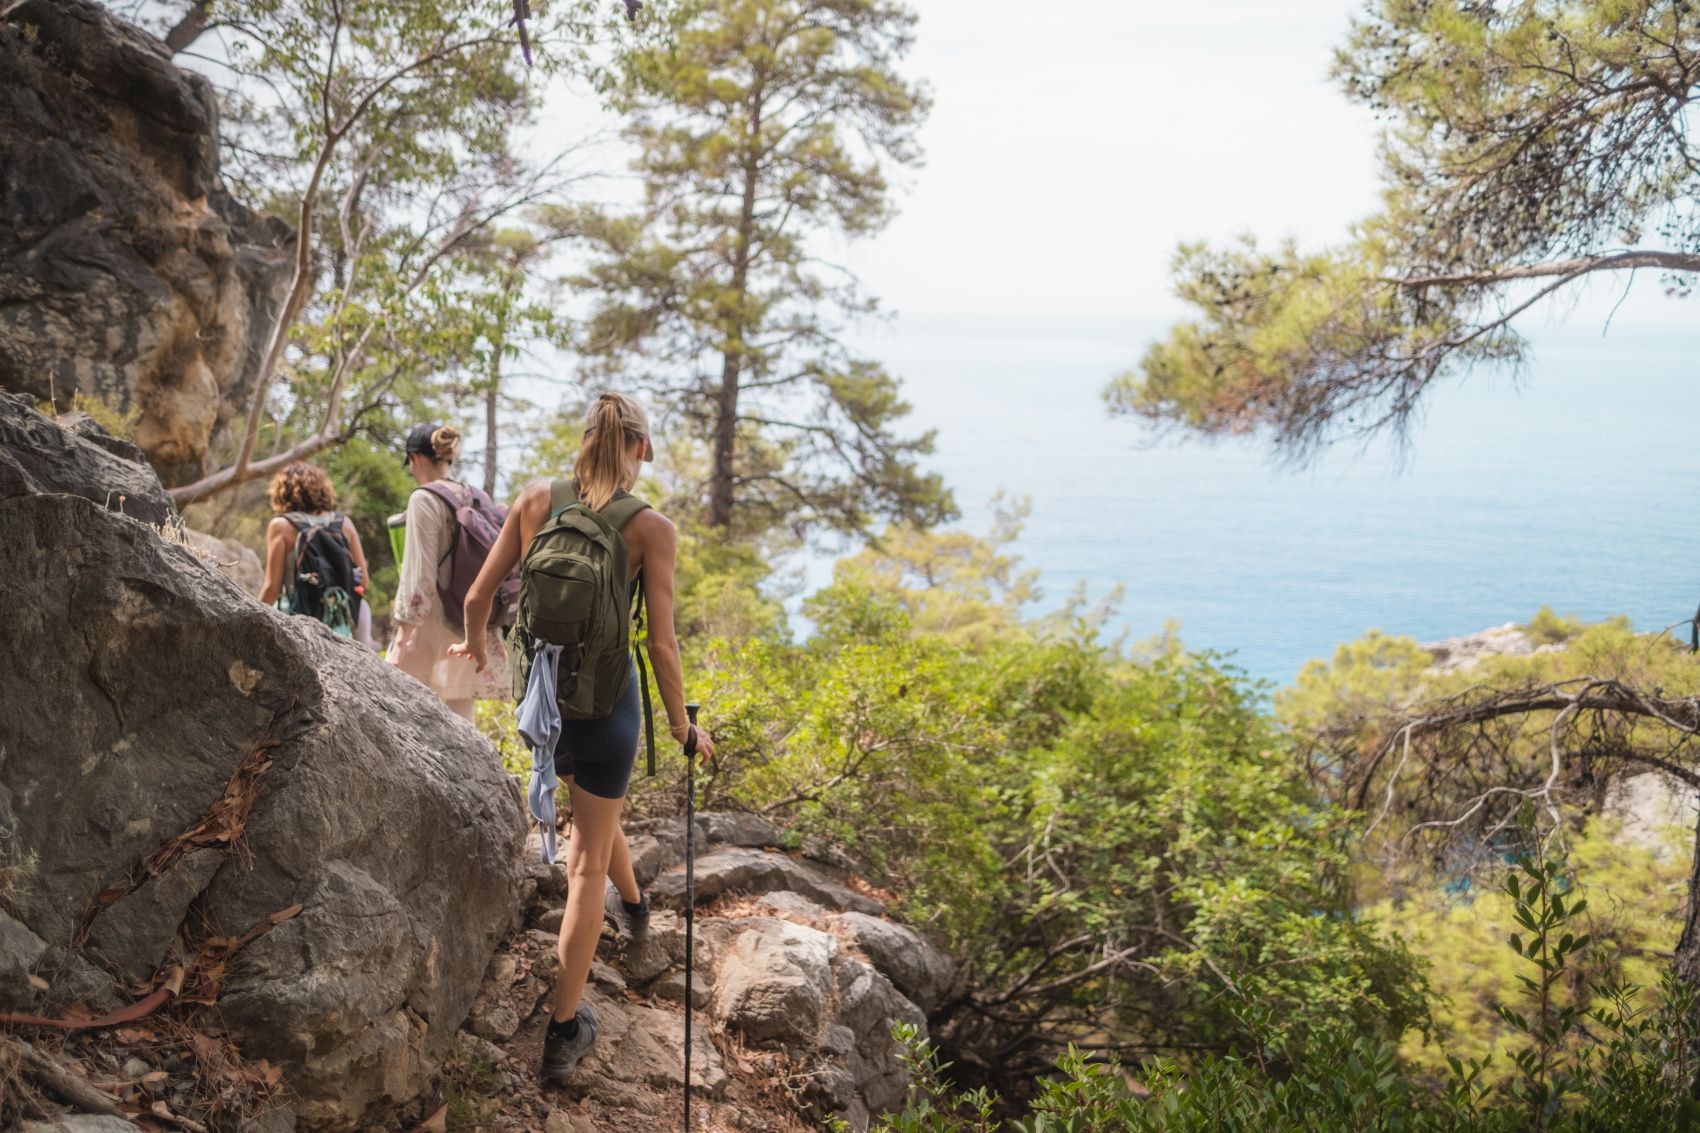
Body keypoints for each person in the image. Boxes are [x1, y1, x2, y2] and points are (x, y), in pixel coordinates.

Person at [449, 392, 715, 1084]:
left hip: (544, 701)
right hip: (607, 706)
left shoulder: (537, 498)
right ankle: (563, 1030)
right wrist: (683, 726)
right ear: (641, 449)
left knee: (597, 813)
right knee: (585, 864)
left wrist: (476, 649)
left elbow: (479, 598)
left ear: (584, 440)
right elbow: (660, 642)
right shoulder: (650, 527)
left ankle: (634, 907)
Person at [389, 423, 509, 719]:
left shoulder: (424, 499)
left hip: (429, 633)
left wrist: (400, 644)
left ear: (415, 458)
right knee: (461, 730)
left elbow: (419, 578)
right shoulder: (476, 497)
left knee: (411, 727)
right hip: (469, 628)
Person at [260, 462, 371, 646]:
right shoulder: (344, 523)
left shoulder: (281, 526)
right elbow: (363, 581)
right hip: (345, 620)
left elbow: (272, 588)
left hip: (299, 620)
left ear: (282, 491)